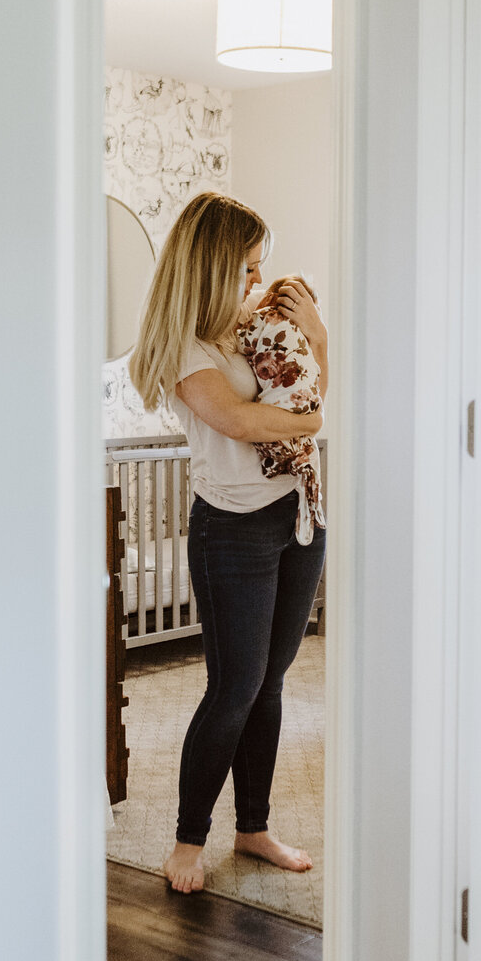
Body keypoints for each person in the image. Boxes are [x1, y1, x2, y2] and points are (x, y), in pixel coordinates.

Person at [128, 191, 328, 894]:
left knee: (269, 684)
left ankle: (253, 826)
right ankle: (188, 837)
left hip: (295, 517)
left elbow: (305, 393)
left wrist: (319, 339)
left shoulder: (244, 329)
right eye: (245, 269)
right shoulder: (186, 346)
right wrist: (310, 422)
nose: (254, 282)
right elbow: (246, 422)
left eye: (257, 268)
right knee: (233, 688)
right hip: (234, 530)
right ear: (209, 267)